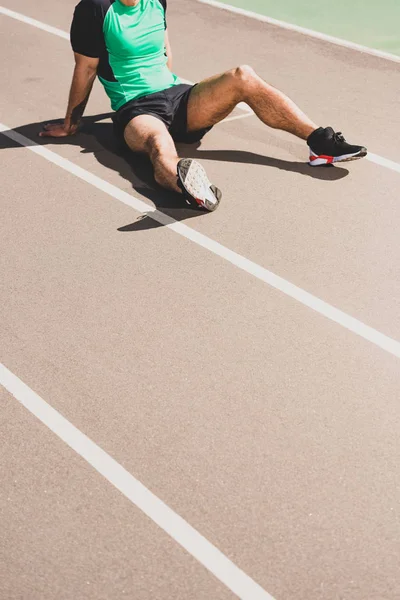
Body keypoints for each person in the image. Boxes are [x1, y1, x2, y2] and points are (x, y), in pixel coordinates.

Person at [39, 0, 367, 212]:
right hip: (136, 108)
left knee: (243, 76)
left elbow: (165, 50)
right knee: (157, 142)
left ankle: (320, 143)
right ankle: (186, 184)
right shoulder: (94, 9)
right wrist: (72, 123)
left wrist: (173, 89)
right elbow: (85, 69)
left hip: (178, 96)